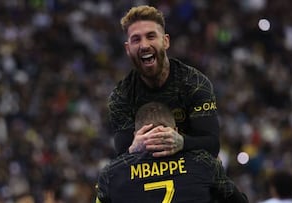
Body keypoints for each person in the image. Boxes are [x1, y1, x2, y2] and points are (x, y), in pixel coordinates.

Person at [108, 5, 220, 158]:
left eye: (151, 36)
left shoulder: (195, 84)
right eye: (136, 39)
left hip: (191, 171)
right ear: (128, 49)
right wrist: (133, 149)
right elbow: (121, 156)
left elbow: (212, 145)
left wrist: (182, 142)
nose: (144, 45)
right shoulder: (121, 96)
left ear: (166, 41)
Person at [96, 102, 249, 203]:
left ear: (136, 135)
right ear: (176, 131)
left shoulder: (111, 174)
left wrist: (129, 155)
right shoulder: (204, 163)